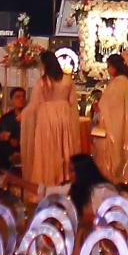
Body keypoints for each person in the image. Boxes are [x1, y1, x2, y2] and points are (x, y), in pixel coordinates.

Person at [20, 60, 84, 195]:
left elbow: (34, 104)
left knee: (48, 149)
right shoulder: (67, 80)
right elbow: (73, 101)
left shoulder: (42, 83)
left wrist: (23, 114)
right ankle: (65, 180)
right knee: (64, 147)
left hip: (47, 117)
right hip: (64, 116)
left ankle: (49, 184)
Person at [93, 54, 128, 188]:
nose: (108, 69)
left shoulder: (120, 82)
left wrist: (100, 108)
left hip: (114, 125)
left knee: (114, 154)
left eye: (109, 66)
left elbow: (112, 105)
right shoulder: (122, 81)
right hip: (118, 121)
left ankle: (113, 180)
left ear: (115, 67)